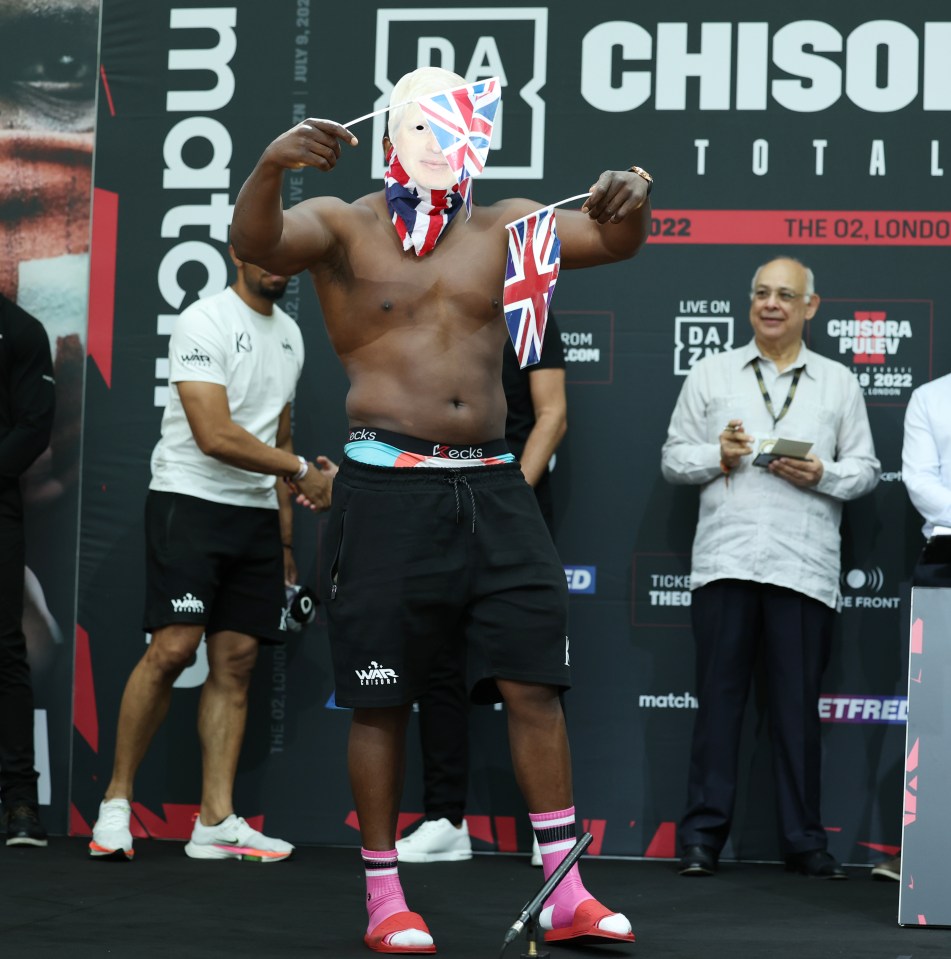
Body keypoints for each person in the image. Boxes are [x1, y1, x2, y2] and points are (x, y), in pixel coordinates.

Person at [230, 66, 650, 952]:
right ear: (390, 131)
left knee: (535, 683)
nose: (438, 142)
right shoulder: (344, 224)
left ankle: (564, 887)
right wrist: (269, 167)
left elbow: (615, 242)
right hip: (386, 488)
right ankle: (386, 897)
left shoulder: (508, 224)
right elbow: (256, 238)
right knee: (382, 700)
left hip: (494, 486)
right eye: (422, 125)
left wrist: (631, 196)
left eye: (455, 126)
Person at [88, 248, 334, 863]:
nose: (281, 266)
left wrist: (283, 543)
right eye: (268, 254)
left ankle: (216, 820)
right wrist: (303, 471)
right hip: (188, 500)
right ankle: (115, 804)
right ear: (237, 254)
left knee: (238, 661)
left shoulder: (292, 337)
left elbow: (278, 435)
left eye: (290, 257)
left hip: (253, 514)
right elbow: (214, 434)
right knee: (173, 647)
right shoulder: (204, 320)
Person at [661, 256, 880, 881]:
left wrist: (823, 473)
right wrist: (718, 454)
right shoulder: (711, 373)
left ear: (811, 306)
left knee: (795, 713)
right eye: (761, 293)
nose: (771, 304)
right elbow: (675, 459)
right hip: (726, 564)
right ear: (749, 303)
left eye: (786, 295)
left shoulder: (838, 382)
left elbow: (865, 469)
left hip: (803, 567)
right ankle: (701, 839)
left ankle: (804, 842)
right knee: (718, 710)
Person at [396, 316, 567, 865]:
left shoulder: (528, 306)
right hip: (434, 503)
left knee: (530, 674)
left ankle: (551, 836)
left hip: (512, 506)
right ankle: (445, 818)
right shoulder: (424, 303)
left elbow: (551, 415)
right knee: (440, 667)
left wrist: (504, 497)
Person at [873, 370, 951, 882]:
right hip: (946, 558)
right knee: (937, 718)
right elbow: (920, 481)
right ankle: (927, 858)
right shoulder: (932, 396)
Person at [0, 293, 55, 846]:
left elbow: (33, 428)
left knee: (5, 649)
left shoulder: (19, 330)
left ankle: (19, 801)